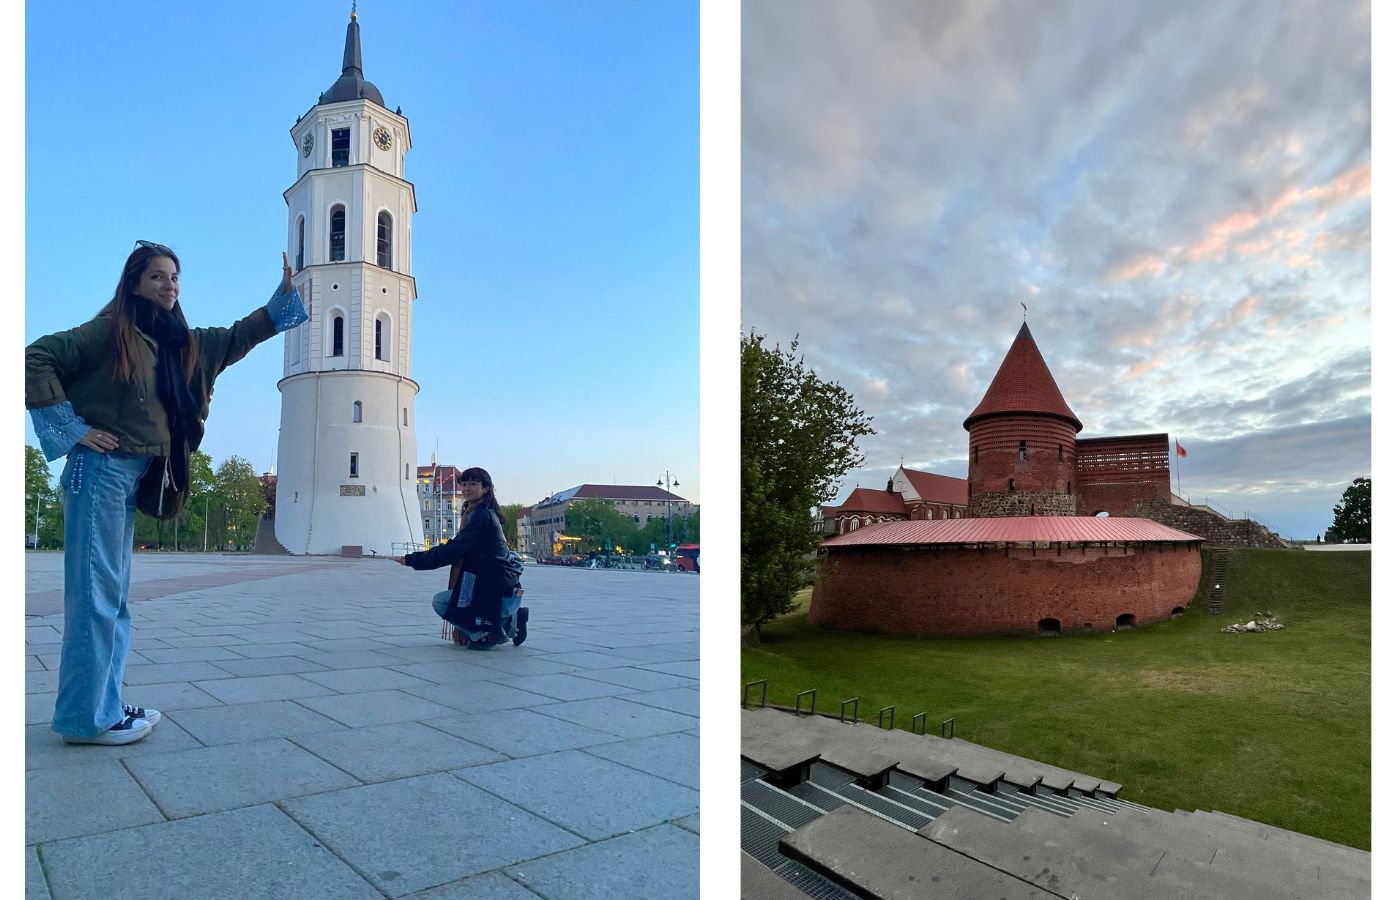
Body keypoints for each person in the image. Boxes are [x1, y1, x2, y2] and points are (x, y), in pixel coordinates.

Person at [26, 241, 308, 745]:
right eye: (157, 276)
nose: (169, 285)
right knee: (96, 597)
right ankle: (89, 720)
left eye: (174, 277)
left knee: (111, 597)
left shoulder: (184, 345)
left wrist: (282, 297)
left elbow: (241, 335)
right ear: (134, 282)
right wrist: (71, 429)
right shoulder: (110, 331)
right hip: (100, 470)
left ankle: (102, 704)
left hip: (133, 473)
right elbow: (35, 358)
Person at [395, 467, 527, 649]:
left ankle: (490, 633)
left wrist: (414, 560)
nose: (466, 489)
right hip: (492, 578)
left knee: (442, 602)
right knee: (462, 611)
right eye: (464, 484)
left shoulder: (482, 516)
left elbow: (454, 549)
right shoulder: (477, 511)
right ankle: (511, 620)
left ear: (486, 488)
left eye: (473, 484)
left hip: (491, 581)